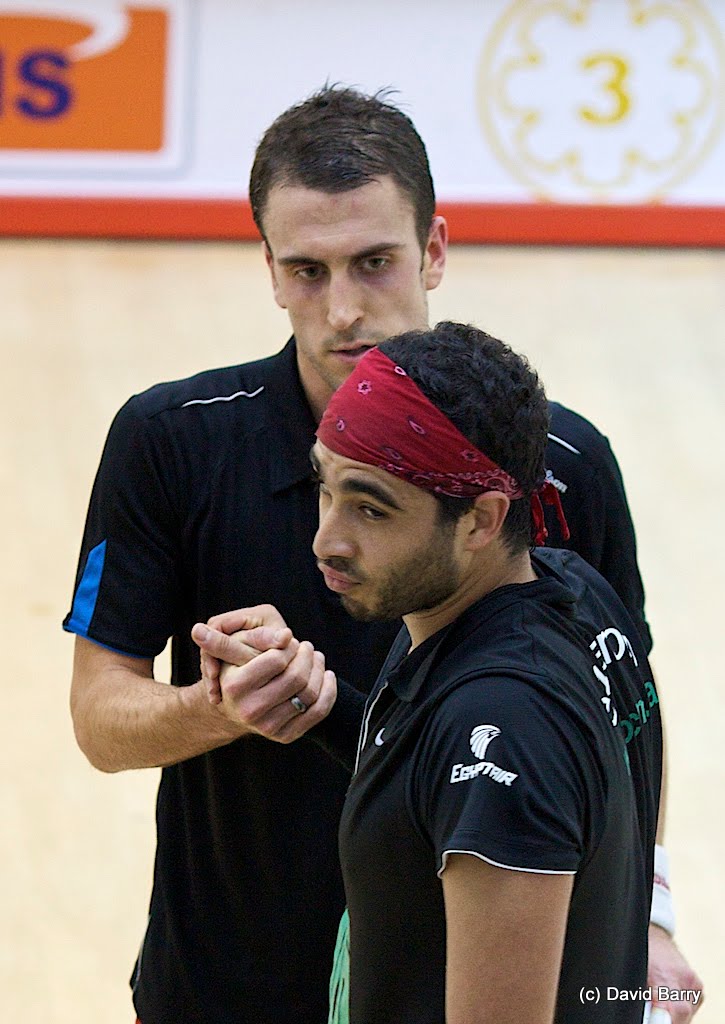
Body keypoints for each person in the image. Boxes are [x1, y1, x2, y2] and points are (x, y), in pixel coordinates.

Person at [64, 86, 700, 1024]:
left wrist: (648, 917)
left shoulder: (561, 465)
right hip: (227, 986)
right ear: (269, 270)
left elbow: (622, 701)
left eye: (374, 263)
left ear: (433, 249)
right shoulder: (169, 441)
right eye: (307, 271)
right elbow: (98, 717)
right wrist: (214, 708)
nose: (343, 311)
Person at [306, 321, 663, 1023]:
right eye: (326, 487)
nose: (328, 539)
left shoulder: (501, 725)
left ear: (479, 520)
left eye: (370, 508)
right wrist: (316, 706)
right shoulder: (573, 592)